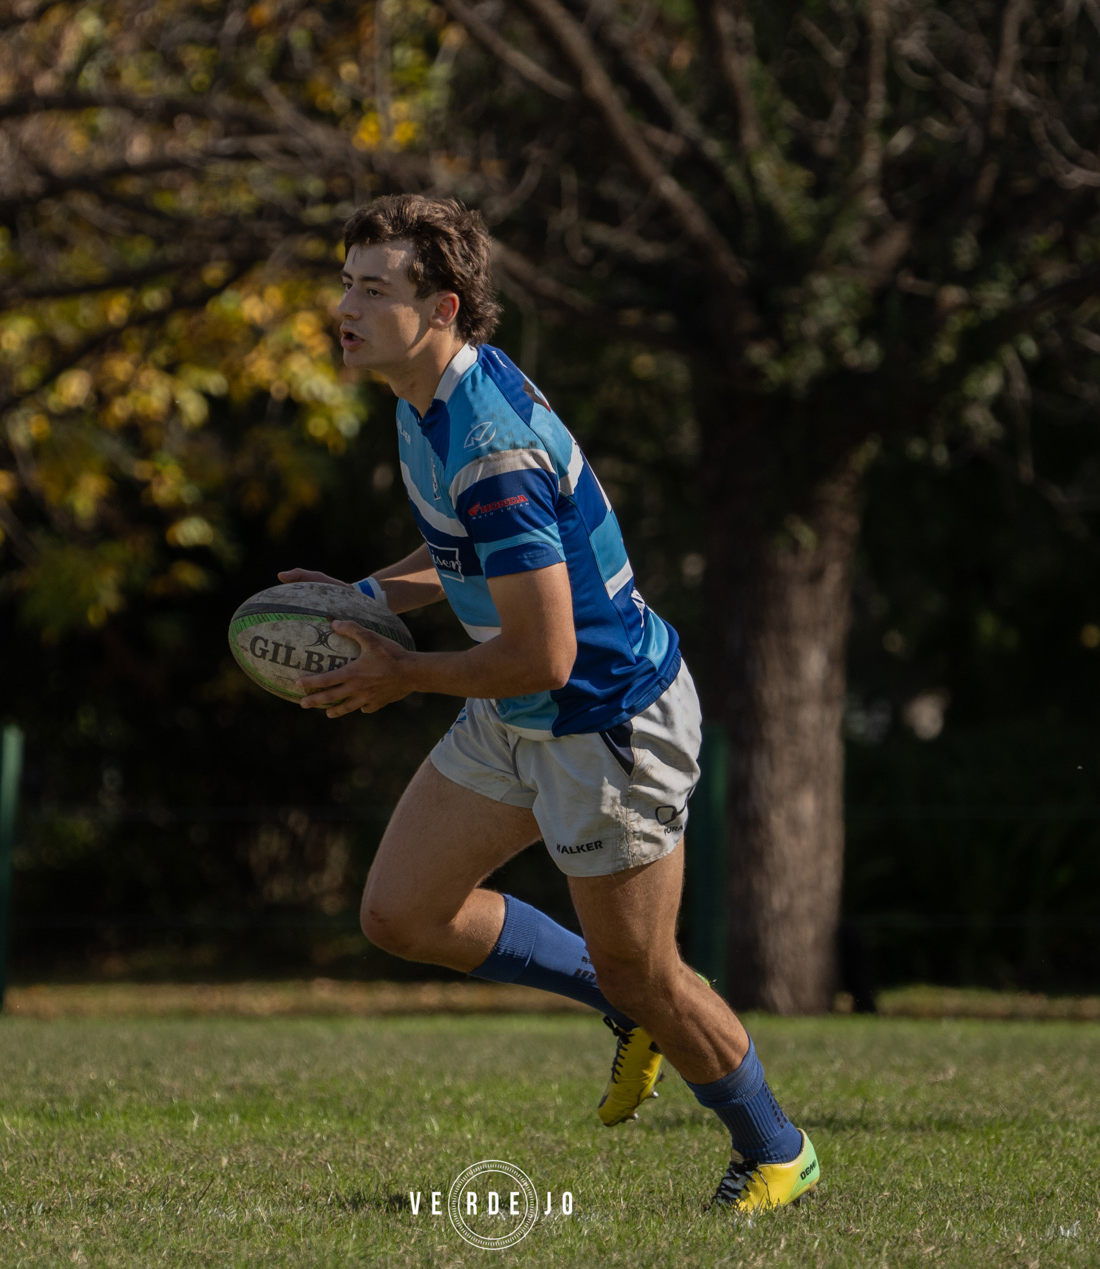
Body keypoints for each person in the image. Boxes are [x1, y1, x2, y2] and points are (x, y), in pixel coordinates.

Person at [278, 195, 818, 1213]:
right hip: (524, 705)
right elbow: (462, 562)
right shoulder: (422, 396)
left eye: (371, 288)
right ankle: (626, 1008)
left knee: (648, 973)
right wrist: (362, 598)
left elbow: (546, 649)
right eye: (346, 280)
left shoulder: (489, 445)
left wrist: (402, 676)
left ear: (440, 308)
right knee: (402, 913)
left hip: (605, 724)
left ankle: (778, 1148)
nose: (343, 304)